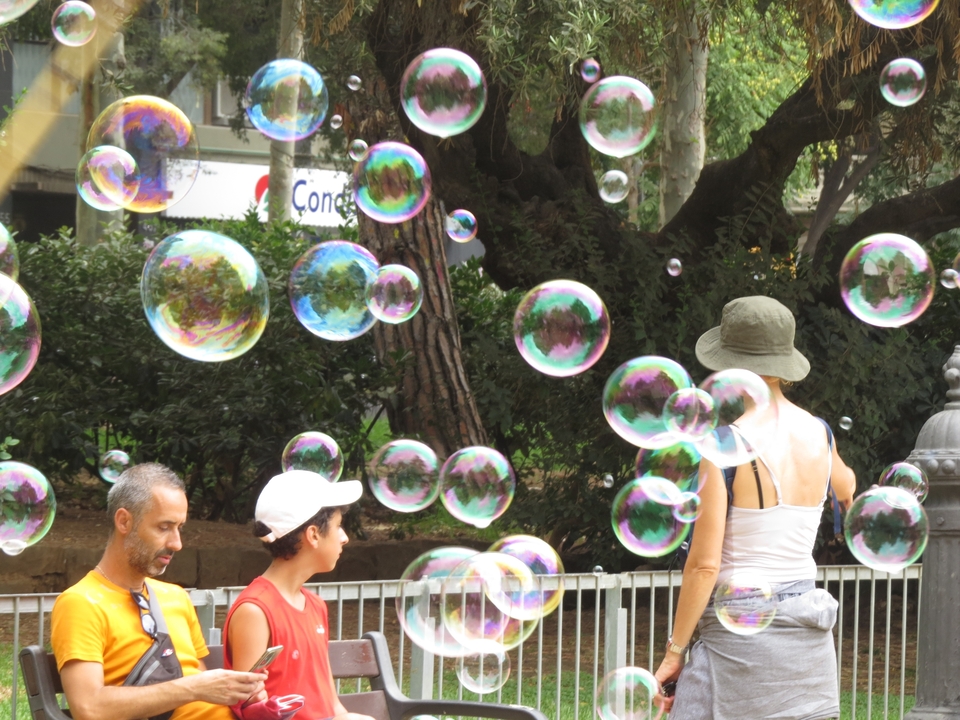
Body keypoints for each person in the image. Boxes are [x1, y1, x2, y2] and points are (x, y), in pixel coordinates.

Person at [654, 296, 857, 720]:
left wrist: (674, 653)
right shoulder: (820, 432)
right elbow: (846, 483)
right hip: (808, 640)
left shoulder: (726, 444)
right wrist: (843, 494)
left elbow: (704, 566)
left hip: (741, 639)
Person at [51, 463, 267, 720]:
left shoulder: (176, 597)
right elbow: (89, 708)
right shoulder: (80, 603)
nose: (177, 543)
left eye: (180, 527)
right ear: (124, 521)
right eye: (164, 527)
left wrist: (240, 694)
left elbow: (200, 690)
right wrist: (194, 688)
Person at [223, 470, 374, 720]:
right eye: (338, 527)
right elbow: (250, 712)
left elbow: (330, 703)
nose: (345, 538)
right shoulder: (255, 611)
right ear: (314, 535)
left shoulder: (316, 606)